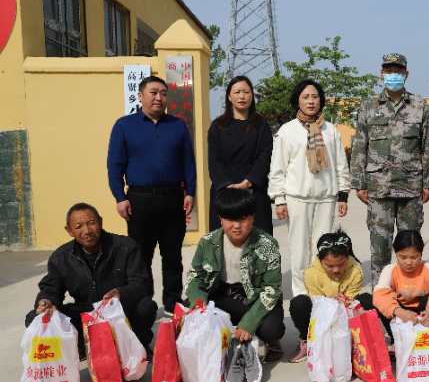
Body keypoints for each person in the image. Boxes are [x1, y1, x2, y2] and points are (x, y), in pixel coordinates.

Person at [107, 75, 196, 314]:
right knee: (140, 255)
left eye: (163, 93)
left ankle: (173, 301)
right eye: (153, 92)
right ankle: (143, 301)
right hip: (139, 200)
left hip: (173, 198)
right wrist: (120, 197)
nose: (159, 98)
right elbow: (115, 165)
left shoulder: (177, 126)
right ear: (140, 96)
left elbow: (188, 162)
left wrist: (190, 192)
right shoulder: (124, 126)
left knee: (172, 254)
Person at [350, 53, 429, 286]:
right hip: (379, 188)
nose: (393, 75)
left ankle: (410, 290)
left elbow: (428, 146)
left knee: (410, 247)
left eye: (397, 71)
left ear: (406, 74)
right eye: (389, 71)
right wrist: (358, 183)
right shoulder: (368, 106)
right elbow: (360, 146)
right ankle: (381, 293)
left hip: (411, 188)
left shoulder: (419, 106)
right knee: (379, 247)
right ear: (381, 74)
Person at [24, 203, 157, 357]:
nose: (87, 231)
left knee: (146, 306)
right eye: (78, 226)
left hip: (119, 312)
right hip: (85, 312)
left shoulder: (126, 247)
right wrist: (46, 301)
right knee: (35, 317)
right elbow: (51, 288)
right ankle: (82, 347)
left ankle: (138, 345)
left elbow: (141, 283)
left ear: (100, 223)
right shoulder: (61, 257)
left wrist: (120, 293)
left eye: (91, 223)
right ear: (69, 231)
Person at [185, 189, 284, 382]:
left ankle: (253, 339)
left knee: (271, 328)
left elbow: (272, 289)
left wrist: (249, 322)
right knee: (189, 312)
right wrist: (198, 303)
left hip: (255, 300)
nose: (237, 226)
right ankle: (241, 342)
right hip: (222, 296)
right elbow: (195, 276)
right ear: (220, 219)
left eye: (243, 219)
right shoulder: (208, 242)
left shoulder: (267, 244)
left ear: (253, 218)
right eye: (230, 219)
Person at [268, 79, 350, 297]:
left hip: (326, 197)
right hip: (297, 197)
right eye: (305, 97)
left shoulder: (330, 130)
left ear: (321, 100)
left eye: (314, 97)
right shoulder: (287, 131)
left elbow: (341, 164)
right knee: (299, 249)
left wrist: (343, 195)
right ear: (298, 101)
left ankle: (320, 291)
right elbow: (278, 167)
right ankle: (301, 295)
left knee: (323, 248)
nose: (311, 101)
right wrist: (279, 199)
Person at [288, 231, 372, 363]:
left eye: (341, 264)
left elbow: (351, 301)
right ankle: (308, 340)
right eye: (330, 266)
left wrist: (346, 302)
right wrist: (331, 303)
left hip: (346, 316)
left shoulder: (355, 271)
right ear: (321, 261)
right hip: (321, 317)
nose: (336, 270)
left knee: (367, 300)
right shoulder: (311, 273)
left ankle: (356, 341)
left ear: (347, 257)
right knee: (299, 303)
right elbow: (317, 305)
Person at [208, 75, 273, 234]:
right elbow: (214, 161)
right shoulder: (218, 126)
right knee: (224, 241)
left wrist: (248, 182)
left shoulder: (261, 125)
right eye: (237, 92)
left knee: (259, 240)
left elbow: (265, 157)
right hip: (224, 193)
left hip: (254, 190)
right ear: (229, 97)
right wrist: (227, 185)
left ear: (252, 96)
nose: (242, 96)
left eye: (246, 92)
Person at [372, 230, 429, 342]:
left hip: (424, 313)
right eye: (403, 257)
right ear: (396, 254)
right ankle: (395, 337)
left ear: (421, 254)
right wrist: (399, 312)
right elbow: (380, 295)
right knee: (371, 300)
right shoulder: (390, 270)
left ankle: (427, 336)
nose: (408, 262)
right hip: (399, 313)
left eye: (414, 257)